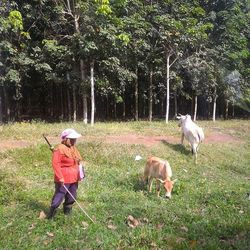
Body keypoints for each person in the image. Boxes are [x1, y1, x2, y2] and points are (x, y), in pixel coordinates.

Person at [47, 128, 84, 219]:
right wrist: (60, 178)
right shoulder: (59, 149)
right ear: (65, 139)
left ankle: (67, 210)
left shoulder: (73, 148)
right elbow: (56, 164)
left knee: (72, 194)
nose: (74, 141)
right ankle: (51, 214)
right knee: (60, 194)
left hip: (74, 177)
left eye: (74, 139)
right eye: (71, 139)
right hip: (64, 177)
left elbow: (78, 158)